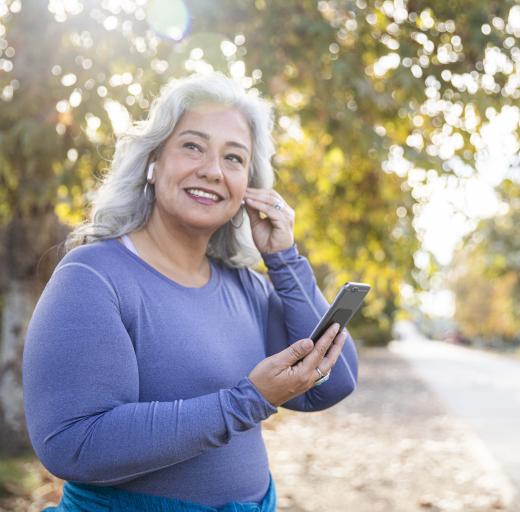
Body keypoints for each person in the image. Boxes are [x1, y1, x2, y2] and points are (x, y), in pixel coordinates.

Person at [22, 72, 359, 512]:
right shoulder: (93, 276)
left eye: (234, 158)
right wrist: (248, 401)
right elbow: (74, 444)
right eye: (193, 146)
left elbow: (330, 385)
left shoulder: (246, 285)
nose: (213, 171)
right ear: (153, 161)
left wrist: (284, 257)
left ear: (249, 189)